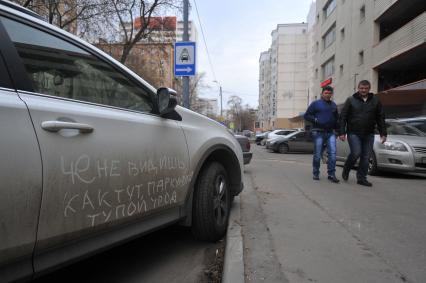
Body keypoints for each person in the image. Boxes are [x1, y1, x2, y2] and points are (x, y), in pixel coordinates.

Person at [339, 80, 387, 187]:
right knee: (356, 153)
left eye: (366, 88)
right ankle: (346, 169)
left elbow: (380, 117)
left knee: (366, 157)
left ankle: (361, 178)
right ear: (358, 88)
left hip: (369, 133)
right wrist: (341, 132)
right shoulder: (351, 100)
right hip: (353, 132)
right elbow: (343, 117)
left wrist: (383, 133)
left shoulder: (375, 100)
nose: (363, 90)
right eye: (361, 88)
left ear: (369, 89)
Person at [304, 86, 340, 183]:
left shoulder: (333, 105)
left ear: (331, 94)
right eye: (326, 93)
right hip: (318, 131)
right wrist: (315, 119)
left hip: (330, 132)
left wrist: (339, 131)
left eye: (329, 93)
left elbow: (337, 119)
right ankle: (316, 173)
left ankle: (331, 174)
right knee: (317, 154)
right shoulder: (315, 104)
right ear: (322, 94)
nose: (328, 95)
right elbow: (306, 115)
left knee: (332, 154)